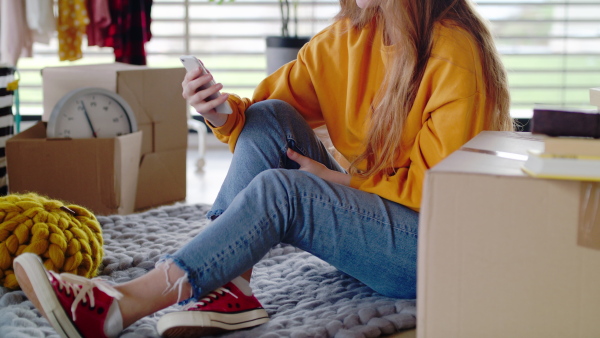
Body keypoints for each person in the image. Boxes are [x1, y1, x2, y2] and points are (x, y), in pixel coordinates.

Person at [13, 0, 514, 337]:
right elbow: (262, 117)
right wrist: (218, 111)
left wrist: (338, 182)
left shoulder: (454, 50)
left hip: (432, 247)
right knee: (272, 117)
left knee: (287, 192)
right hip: (379, 214)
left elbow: (441, 191)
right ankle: (232, 284)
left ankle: (121, 304)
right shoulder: (349, 37)